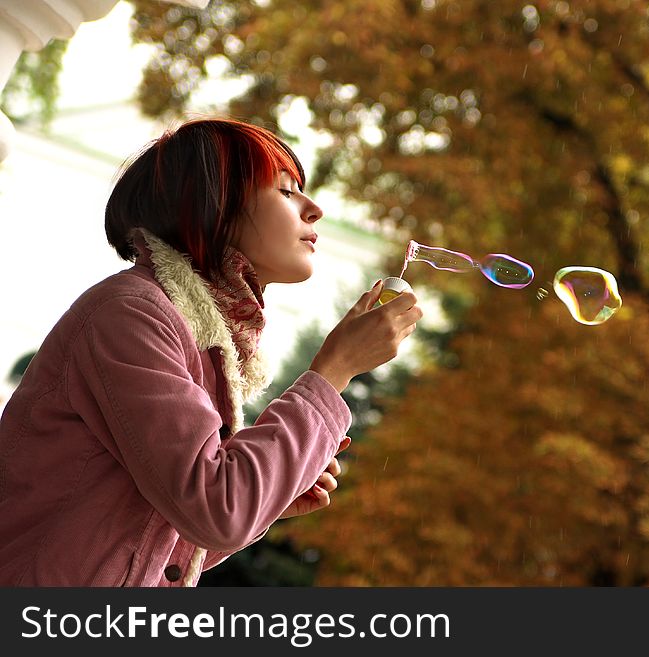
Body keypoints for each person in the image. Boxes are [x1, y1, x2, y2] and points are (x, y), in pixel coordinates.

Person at [0, 117, 422, 586]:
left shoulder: (193, 330)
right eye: (285, 191)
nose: (314, 209)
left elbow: (165, 538)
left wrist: (269, 495)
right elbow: (217, 509)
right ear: (214, 203)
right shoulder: (132, 314)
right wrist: (334, 371)